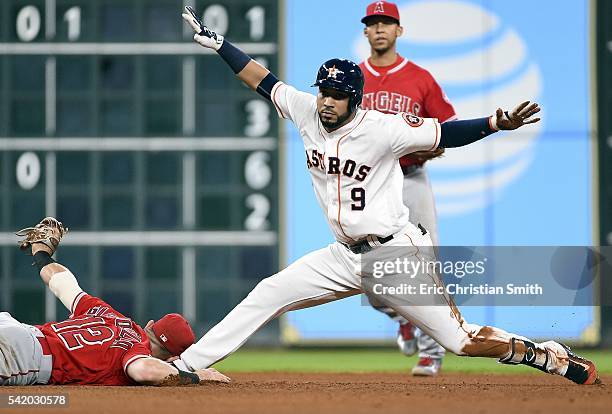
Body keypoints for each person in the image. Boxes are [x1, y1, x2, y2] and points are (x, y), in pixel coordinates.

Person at [173, 6, 599, 386]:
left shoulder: (383, 127)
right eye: (324, 90)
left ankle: (545, 355)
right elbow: (263, 81)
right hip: (340, 256)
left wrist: (493, 122)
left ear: (354, 98)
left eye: (337, 95)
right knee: (267, 292)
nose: (327, 100)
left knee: (461, 341)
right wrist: (221, 45)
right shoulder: (306, 109)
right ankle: (185, 366)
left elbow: (444, 131)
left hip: (395, 255)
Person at [0, 217, 230, 386]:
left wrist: (41, 253)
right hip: (24, 356)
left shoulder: (107, 313)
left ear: (149, 324)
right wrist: (197, 376)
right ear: (173, 357)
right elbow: (144, 371)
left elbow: (62, 283)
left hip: (15, 327)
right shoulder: (136, 349)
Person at [359, 0, 454, 376]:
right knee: (366, 276)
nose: (380, 28)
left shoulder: (420, 78)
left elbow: (447, 130)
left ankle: (432, 352)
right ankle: (405, 317)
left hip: (411, 179)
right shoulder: (354, 78)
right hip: (368, 185)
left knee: (426, 266)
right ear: (365, 31)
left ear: (399, 31)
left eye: (387, 22)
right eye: (373, 22)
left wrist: (423, 149)